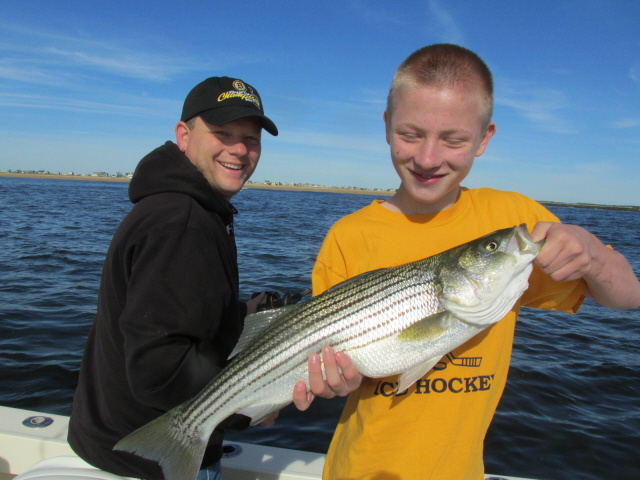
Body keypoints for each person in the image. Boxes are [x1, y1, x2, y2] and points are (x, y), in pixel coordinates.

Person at [302, 44, 640, 480]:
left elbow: (628, 297)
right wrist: (332, 380)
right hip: (357, 468)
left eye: (453, 139)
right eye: (410, 134)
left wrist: (590, 253)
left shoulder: (512, 221)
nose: (427, 158)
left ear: (484, 138)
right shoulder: (348, 235)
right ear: (386, 127)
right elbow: (328, 362)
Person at [68, 76, 280, 479]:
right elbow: (159, 370)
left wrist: (238, 315)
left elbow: (169, 318)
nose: (239, 149)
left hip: (109, 440)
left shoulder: (178, 205)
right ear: (184, 135)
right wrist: (249, 406)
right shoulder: (182, 221)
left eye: (250, 139)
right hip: (147, 459)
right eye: (222, 133)